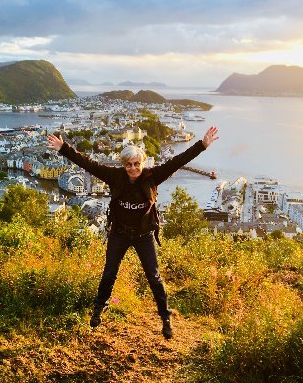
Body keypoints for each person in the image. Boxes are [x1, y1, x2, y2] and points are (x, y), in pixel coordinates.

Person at [47, 126, 219, 339]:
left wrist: (201, 145)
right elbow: (87, 163)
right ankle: (99, 309)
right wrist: (63, 147)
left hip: (143, 235)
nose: (133, 168)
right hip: (119, 233)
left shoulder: (153, 177)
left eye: (137, 164)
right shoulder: (115, 176)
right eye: (128, 164)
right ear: (123, 164)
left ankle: (165, 318)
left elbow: (178, 161)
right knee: (109, 272)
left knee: (154, 277)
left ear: (143, 163)